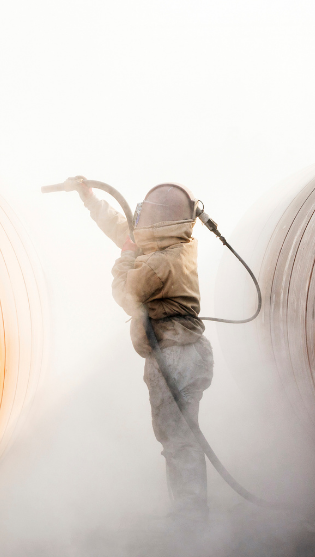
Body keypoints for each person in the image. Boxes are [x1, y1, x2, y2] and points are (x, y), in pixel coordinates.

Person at [73, 178, 214, 526]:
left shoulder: (158, 263)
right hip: (188, 351)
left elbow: (126, 294)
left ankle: (190, 517)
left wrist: (124, 256)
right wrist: (90, 199)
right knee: (183, 436)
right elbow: (124, 229)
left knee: (177, 438)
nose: (142, 223)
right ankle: (191, 512)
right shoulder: (175, 243)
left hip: (174, 356)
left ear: (160, 220)